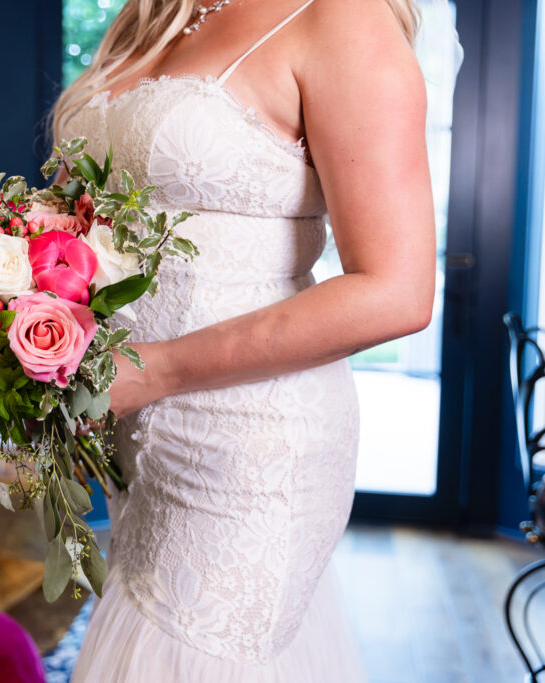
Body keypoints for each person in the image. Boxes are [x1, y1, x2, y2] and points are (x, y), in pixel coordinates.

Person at [53, 1, 460, 680]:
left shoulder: (342, 18)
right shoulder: (151, 16)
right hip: (135, 433)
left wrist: (157, 371)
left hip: (247, 438)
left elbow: (398, 290)